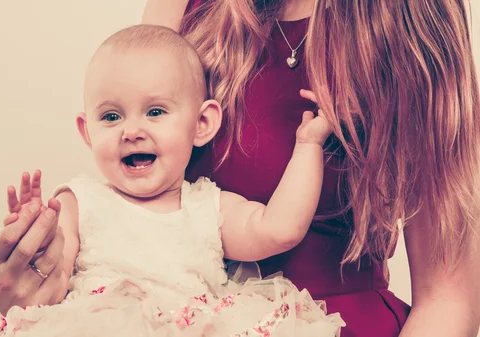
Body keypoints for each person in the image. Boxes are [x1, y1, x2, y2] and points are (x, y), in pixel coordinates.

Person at [0, 24, 345, 336]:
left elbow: (279, 230)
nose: (131, 130)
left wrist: (308, 145)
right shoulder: (80, 201)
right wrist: (35, 232)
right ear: (87, 132)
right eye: (111, 117)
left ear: (202, 124)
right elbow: (50, 279)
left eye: (155, 112)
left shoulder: (208, 206)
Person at [143, 0, 480, 336]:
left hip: (340, 325)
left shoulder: (414, 11)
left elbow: (448, 297)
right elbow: (128, 186)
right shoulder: (184, 7)